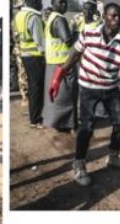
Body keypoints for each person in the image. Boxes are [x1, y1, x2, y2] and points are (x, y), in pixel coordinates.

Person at [49, 3, 120, 187]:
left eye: (119, 17)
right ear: (104, 17)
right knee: (87, 127)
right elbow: (73, 56)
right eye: (112, 16)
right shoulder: (89, 34)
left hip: (110, 88)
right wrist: (57, 77)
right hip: (88, 87)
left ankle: (113, 156)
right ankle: (79, 163)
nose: (117, 20)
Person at [43, 0, 77, 133]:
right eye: (60, 2)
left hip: (52, 62)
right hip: (63, 64)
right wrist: (76, 36)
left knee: (55, 97)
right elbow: (67, 41)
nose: (64, 5)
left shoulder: (51, 18)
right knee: (68, 95)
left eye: (65, 2)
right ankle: (69, 124)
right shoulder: (60, 20)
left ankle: (57, 123)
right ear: (53, 3)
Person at [15, 0, 46, 128]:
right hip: (36, 56)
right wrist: (46, 55)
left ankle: (34, 116)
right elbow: (40, 41)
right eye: (39, 2)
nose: (41, 4)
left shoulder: (20, 15)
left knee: (33, 87)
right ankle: (36, 119)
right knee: (37, 88)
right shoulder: (34, 17)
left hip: (25, 55)